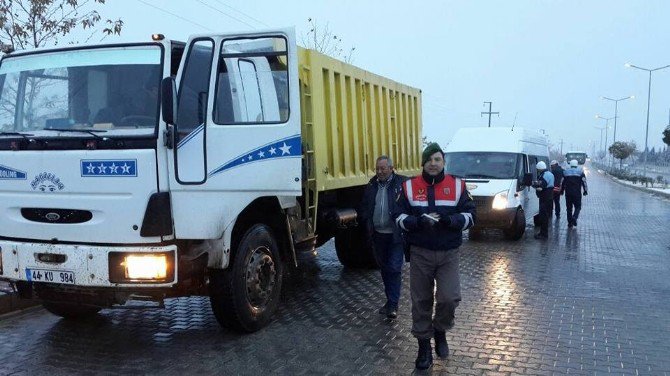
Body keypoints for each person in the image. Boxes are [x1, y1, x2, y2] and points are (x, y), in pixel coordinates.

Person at [393, 143, 476, 370]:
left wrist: (453, 221)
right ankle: (423, 347)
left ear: (443, 162)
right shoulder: (408, 186)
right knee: (421, 301)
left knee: (449, 298)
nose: (433, 163)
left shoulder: (457, 185)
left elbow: (471, 215)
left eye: (437, 159)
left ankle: (440, 330)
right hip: (420, 252)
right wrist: (415, 221)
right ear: (423, 162)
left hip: (449, 252)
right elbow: (397, 216)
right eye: (429, 159)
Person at [359, 156, 407, 319]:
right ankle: (389, 301)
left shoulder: (402, 184)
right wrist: (367, 221)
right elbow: (366, 206)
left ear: (392, 168)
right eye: (377, 168)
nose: (379, 171)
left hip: (395, 235)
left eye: (383, 168)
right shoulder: (372, 185)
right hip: (378, 235)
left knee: (394, 268)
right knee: (385, 269)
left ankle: (393, 304)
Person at [561, 159, 588, 228]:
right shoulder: (580, 172)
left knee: (569, 208)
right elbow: (584, 182)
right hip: (577, 193)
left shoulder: (565, 172)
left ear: (570, 165)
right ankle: (574, 217)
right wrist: (585, 191)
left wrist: (561, 191)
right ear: (576, 165)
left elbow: (562, 183)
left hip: (568, 193)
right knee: (578, 207)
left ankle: (570, 223)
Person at [532, 161, 554, 239]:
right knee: (546, 216)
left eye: (538, 169)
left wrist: (535, 186)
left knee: (543, 216)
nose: (537, 171)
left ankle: (543, 234)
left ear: (540, 169)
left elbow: (542, 186)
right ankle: (543, 233)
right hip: (550, 197)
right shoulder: (550, 174)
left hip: (544, 198)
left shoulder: (543, 175)